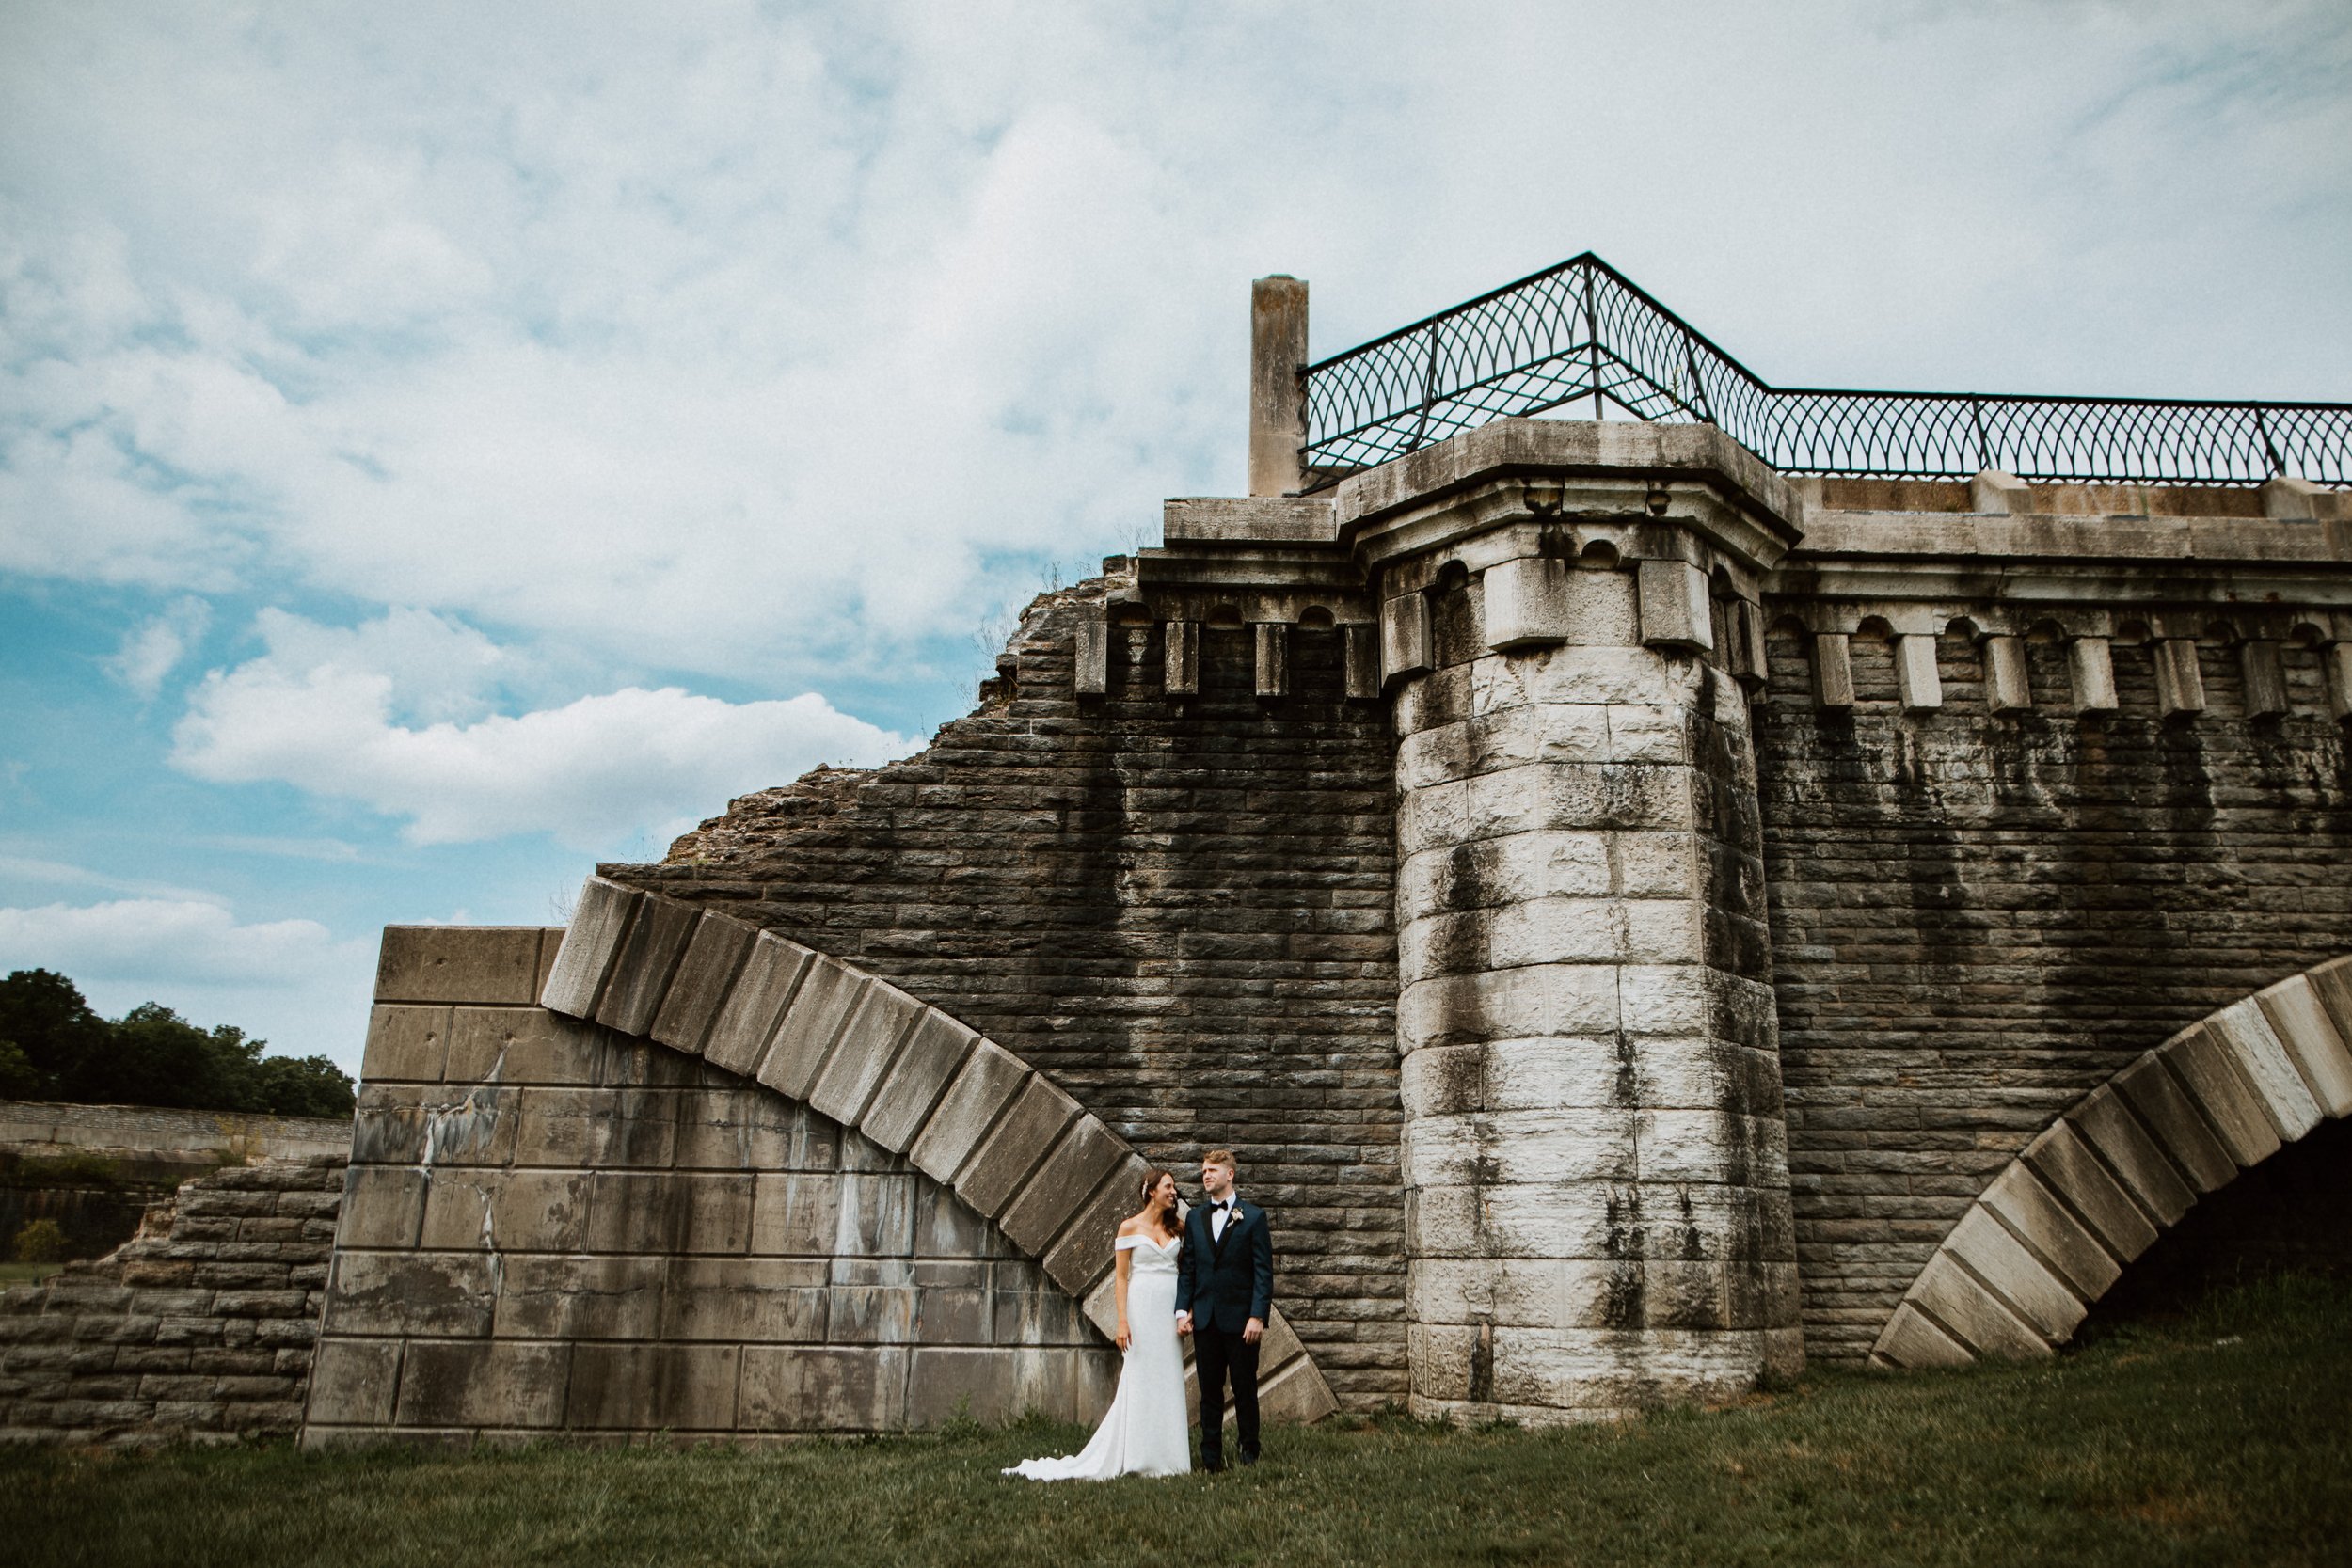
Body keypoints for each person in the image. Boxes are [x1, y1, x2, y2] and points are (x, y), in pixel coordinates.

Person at [1005, 1168, 1191, 1480]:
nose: (1174, 1192)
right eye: (1168, 1186)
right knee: (1141, 1374)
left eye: (1174, 1188)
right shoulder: (1128, 1227)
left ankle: (1171, 1458)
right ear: (1151, 1191)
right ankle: (1138, 1456)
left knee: (1168, 1376)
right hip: (1142, 1307)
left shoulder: (1179, 1230)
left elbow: (1188, 1272)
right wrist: (1122, 1321)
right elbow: (1120, 1279)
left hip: (1169, 1308)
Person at [1174, 1148, 1272, 1471]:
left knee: (1244, 1389)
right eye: (1203, 1170)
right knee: (1209, 1392)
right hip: (1204, 1319)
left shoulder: (1253, 1217)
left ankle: (1249, 1452)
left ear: (1230, 1174)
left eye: (1212, 1170)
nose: (1206, 1175)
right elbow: (1188, 1268)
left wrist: (1257, 1316)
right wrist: (1182, 1310)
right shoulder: (1195, 1217)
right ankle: (1210, 1458)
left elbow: (1263, 1272)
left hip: (1242, 1321)